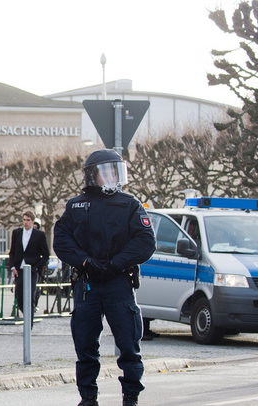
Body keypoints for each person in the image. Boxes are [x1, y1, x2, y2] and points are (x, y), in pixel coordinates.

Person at [53, 149, 155, 406]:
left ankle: (130, 397)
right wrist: (86, 261)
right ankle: (88, 398)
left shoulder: (130, 203)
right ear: (92, 175)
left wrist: (115, 264)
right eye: (105, 171)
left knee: (129, 344)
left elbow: (145, 242)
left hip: (118, 281)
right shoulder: (76, 205)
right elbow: (61, 240)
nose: (111, 177)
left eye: (115, 171)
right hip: (88, 283)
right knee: (85, 346)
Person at [8, 210, 50, 327]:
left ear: (32, 221)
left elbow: (46, 255)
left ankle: (29, 325)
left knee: (30, 296)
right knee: (19, 296)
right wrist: (12, 267)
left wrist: (36, 267)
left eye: (28, 220)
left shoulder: (39, 235)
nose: (25, 222)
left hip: (31, 271)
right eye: (24, 220)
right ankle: (27, 315)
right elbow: (12, 252)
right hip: (19, 270)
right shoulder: (16, 233)